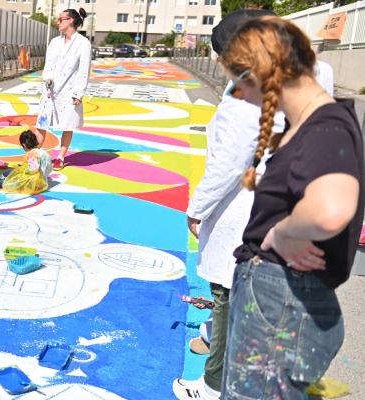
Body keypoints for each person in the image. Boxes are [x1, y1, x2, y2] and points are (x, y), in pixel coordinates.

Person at [173, 10, 337, 400]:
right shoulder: (314, 70)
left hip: (248, 209)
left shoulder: (244, 97)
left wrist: (196, 209)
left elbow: (227, 165)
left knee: (229, 292)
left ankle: (213, 385)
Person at [219, 16, 363, 399]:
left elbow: (331, 207)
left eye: (238, 84)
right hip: (278, 299)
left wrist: (283, 232)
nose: (239, 96)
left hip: (280, 301)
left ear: (261, 74)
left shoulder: (325, 127)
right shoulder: (316, 124)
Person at [35, 8, 91, 171]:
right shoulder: (54, 42)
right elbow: (48, 65)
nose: (58, 22)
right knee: (42, 123)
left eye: (61, 19)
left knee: (67, 124)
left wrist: (78, 93)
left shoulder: (83, 44)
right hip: (50, 90)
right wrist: (48, 78)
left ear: (71, 21)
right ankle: (35, 156)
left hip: (69, 91)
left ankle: (60, 157)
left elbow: (84, 70)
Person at [2, 130, 53, 195]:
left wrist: (24, 170)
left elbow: (34, 168)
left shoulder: (32, 153)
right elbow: (49, 168)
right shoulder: (44, 152)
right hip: (43, 182)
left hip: (34, 184)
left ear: (24, 145)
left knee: (9, 173)